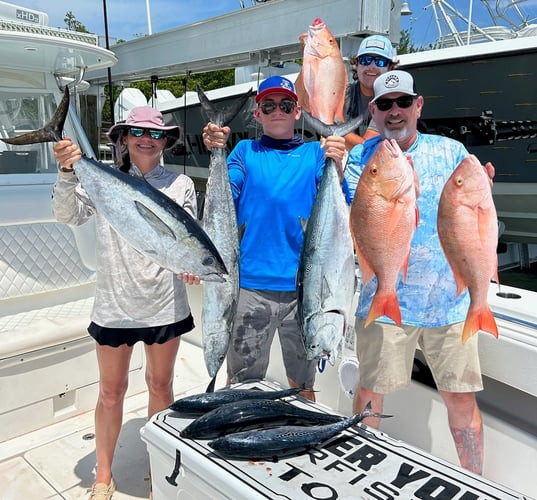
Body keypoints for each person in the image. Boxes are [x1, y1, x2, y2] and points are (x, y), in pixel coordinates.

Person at [345, 70, 495, 475]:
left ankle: (475, 480)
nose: (396, 112)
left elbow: (474, 213)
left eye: (403, 102)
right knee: (370, 392)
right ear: (373, 111)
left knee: (461, 399)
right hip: (384, 292)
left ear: (418, 105)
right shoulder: (361, 159)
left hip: (449, 303)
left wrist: (485, 193)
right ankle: (361, 474)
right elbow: (359, 220)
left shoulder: (452, 152)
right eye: (386, 105)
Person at [52, 106, 199, 499]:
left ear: (166, 140)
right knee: (111, 391)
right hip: (114, 305)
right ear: (123, 138)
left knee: (160, 386)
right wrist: (68, 172)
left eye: (155, 133)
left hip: (165, 304)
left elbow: (187, 239)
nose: (146, 138)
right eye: (136, 131)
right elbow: (67, 215)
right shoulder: (105, 179)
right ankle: (103, 475)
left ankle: (158, 466)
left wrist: (190, 267)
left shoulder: (181, 184)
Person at [202, 75, 347, 402]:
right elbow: (226, 195)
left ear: (298, 112)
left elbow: (343, 202)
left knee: (303, 383)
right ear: (257, 114)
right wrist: (215, 149)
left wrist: (339, 161)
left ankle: (302, 434)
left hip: (306, 291)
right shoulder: (243, 151)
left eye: (285, 104)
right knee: (242, 380)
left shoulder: (315, 154)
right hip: (251, 287)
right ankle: (242, 438)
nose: (277, 110)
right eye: (268, 105)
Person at [344, 34, 398, 150]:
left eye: (380, 61)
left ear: (390, 67)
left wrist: (331, 130)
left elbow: (366, 147)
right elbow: (303, 101)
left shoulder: (392, 102)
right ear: (356, 64)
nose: (371, 66)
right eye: (365, 60)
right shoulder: (344, 93)